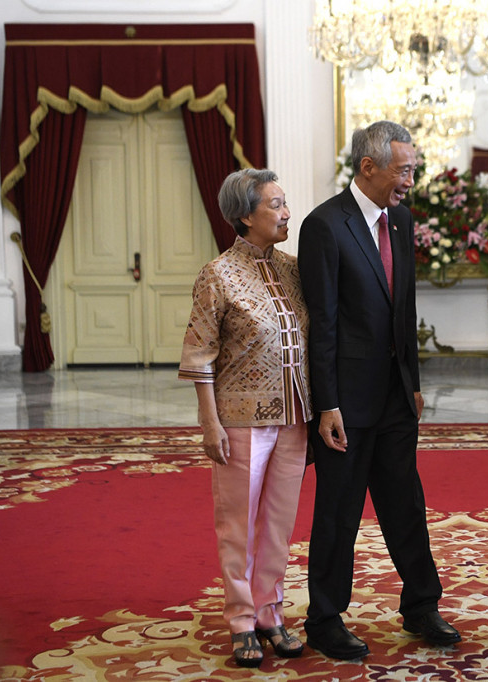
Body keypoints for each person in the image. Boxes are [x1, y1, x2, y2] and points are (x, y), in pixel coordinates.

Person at [297, 120, 460, 660]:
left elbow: (404, 308)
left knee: (405, 502)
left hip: (394, 396)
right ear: (368, 167)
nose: (411, 180)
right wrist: (327, 404)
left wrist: (413, 382)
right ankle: (324, 617)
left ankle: (421, 606)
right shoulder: (325, 225)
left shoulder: (402, 219)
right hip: (345, 400)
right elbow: (321, 321)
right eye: (404, 169)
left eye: (412, 169)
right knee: (339, 511)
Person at [178, 169, 311, 669]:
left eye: (285, 202)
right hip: (238, 418)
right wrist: (209, 422)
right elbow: (199, 353)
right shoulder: (217, 273)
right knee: (237, 525)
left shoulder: (294, 269)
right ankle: (240, 618)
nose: (286, 213)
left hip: (295, 415)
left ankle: (270, 612)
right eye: (275, 205)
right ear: (244, 216)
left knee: (278, 524)